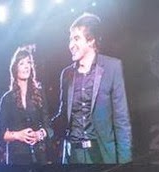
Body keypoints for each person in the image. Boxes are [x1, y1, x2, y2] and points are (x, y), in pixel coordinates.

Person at [53, 13, 132, 164]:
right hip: (73, 156)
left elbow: (121, 120)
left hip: (101, 155)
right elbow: (63, 116)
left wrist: (125, 164)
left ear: (91, 40)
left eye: (76, 38)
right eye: (70, 39)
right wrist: (43, 131)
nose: (71, 45)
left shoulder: (112, 67)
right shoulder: (67, 74)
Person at [0, 45, 53, 165]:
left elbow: (49, 127)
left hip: (39, 155)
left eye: (28, 63)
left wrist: (39, 134)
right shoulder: (7, 99)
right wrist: (18, 135)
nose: (26, 66)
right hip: (17, 157)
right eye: (22, 63)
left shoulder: (40, 94)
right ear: (15, 68)